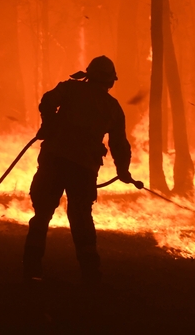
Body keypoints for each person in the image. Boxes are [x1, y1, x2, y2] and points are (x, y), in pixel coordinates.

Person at [23, 55, 138, 285]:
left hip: (54, 160)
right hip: (83, 169)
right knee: (81, 218)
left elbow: (47, 101)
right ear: (110, 81)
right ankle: (90, 273)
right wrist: (123, 170)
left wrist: (49, 123)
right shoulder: (112, 108)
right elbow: (119, 143)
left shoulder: (71, 89)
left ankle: (32, 268)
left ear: (89, 74)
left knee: (42, 214)